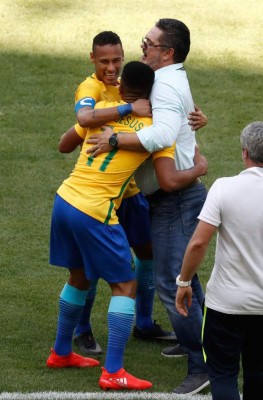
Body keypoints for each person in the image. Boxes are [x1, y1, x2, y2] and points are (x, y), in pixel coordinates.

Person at [47, 60, 207, 390]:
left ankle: (61, 352)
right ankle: (114, 372)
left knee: (78, 277)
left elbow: (64, 143)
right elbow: (168, 179)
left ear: (121, 87)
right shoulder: (156, 129)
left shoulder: (104, 109)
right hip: (95, 210)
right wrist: (198, 166)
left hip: (65, 199)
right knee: (125, 286)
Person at [86, 19, 209, 395]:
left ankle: (200, 367)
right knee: (187, 279)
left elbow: (162, 135)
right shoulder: (170, 79)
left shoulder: (168, 85)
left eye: (148, 44)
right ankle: (207, 347)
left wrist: (115, 140)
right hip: (173, 198)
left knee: (174, 285)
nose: (143, 49)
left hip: (176, 200)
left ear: (167, 52)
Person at [176, 121, 263, 400]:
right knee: (258, 376)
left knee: (223, 375)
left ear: (244, 152)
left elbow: (199, 242)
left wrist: (184, 282)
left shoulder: (224, 188)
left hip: (225, 306)